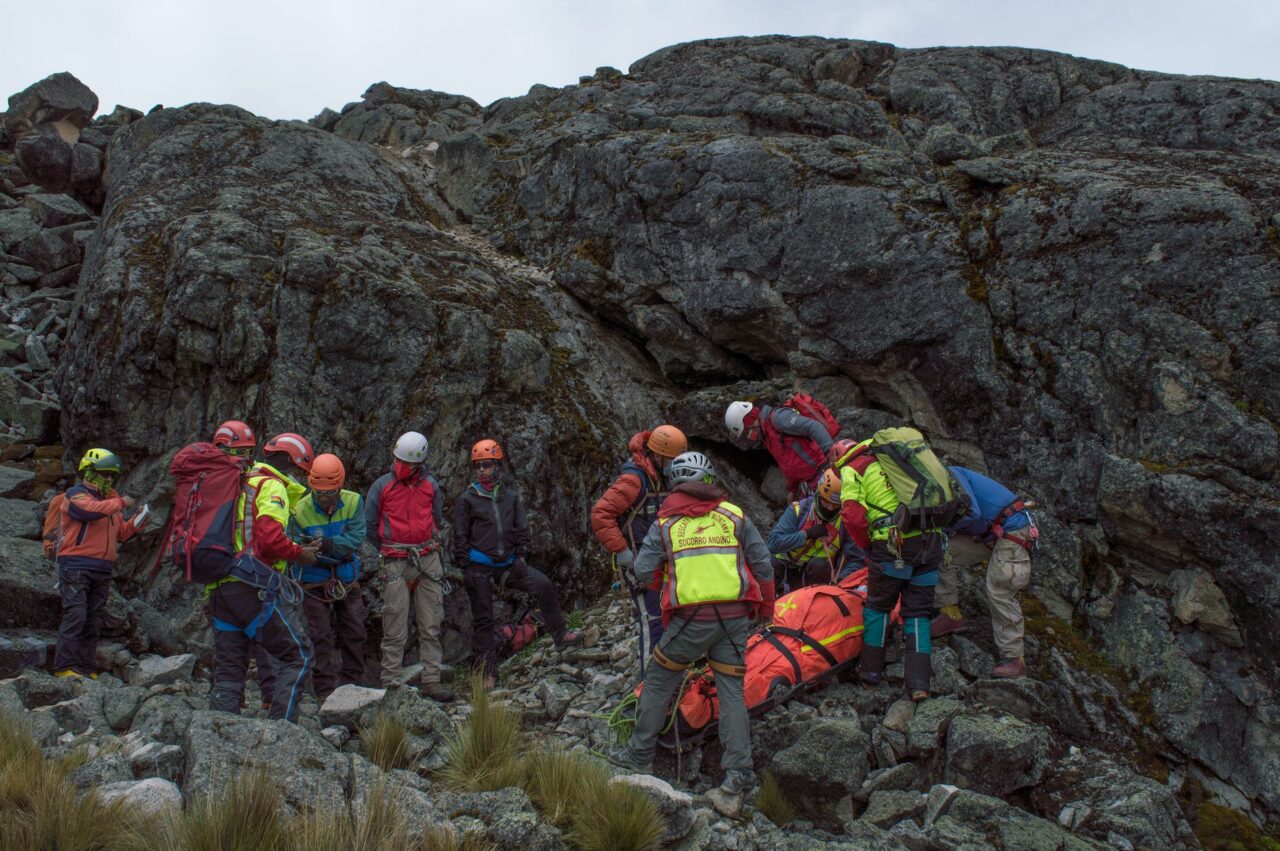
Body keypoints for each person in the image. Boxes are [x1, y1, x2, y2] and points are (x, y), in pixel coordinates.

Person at [608, 451, 774, 819]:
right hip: (733, 619)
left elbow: (644, 569)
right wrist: (766, 608)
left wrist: (667, 584)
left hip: (688, 621)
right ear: (710, 480)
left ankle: (638, 759)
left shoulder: (665, 523)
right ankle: (738, 775)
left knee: (659, 680)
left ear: (674, 484)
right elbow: (763, 564)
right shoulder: (734, 515)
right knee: (731, 691)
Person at [207, 432, 319, 722]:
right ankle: (282, 733)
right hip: (252, 587)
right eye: (301, 471)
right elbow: (269, 540)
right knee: (299, 654)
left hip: (219, 585)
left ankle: (218, 737)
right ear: (295, 463)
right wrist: (300, 553)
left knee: (229, 670)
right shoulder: (271, 486)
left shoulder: (239, 482)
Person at [457, 439, 583, 688]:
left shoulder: (510, 497)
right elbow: (459, 537)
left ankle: (560, 634)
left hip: (508, 563)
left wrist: (522, 556)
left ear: (497, 465)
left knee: (544, 585)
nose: (482, 470)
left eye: (487, 465)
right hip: (479, 565)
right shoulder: (467, 499)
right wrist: (467, 567)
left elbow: (522, 529)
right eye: (477, 466)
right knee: (484, 618)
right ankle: (488, 673)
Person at [832, 438, 944, 702]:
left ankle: (870, 673)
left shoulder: (853, 468)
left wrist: (869, 547)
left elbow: (852, 514)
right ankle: (919, 684)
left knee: (878, 606)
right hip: (931, 540)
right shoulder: (897, 456)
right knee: (918, 612)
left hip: (893, 545)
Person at [589, 424, 687, 676]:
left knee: (671, 615)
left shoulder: (663, 477)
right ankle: (649, 684)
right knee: (652, 619)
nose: (675, 464)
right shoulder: (635, 480)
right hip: (638, 561)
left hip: (660, 560)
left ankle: (670, 674)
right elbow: (601, 514)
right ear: (658, 454)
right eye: (672, 459)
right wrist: (622, 552)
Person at [366, 431, 453, 701]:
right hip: (395, 562)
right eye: (398, 460)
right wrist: (389, 549)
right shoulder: (382, 487)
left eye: (407, 463)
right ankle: (391, 682)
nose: (401, 466)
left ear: (419, 464)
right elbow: (370, 525)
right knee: (394, 627)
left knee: (431, 625)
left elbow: (435, 518)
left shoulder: (430, 486)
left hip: (426, 559)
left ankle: (431, 681)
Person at [934, 465, 1038, 678]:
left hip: (1013, 529)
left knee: (999, 588)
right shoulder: (943, 479)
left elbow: (972, 512)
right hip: (990, 533)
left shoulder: (952, 475)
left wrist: (943, 527)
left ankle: (1014, 659)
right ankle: (950, 614)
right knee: (943, 551)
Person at [52, 448, 148, 678]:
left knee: (93, 619)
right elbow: (88, 511)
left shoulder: (110, 501)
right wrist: (121, 502)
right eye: (103, 474)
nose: (107, 479)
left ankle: (85, 668)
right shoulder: (76, 495)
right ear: (89, 472)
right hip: (76, 565)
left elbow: (120, 533)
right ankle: (63, 667)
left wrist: (137, 521)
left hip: (102, 568)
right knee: (76, 614)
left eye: (110, 475)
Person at [289, 453, 369, 700]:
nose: (324, 498)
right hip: (313, 578)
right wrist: (307, 549)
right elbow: (291, 544)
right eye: (319, 493)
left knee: (354, 630)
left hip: (345, 574)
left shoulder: (354, 502)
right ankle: (325, 692)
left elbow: (356, 538)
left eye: (330, 492)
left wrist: (329, 545)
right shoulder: (299, 510)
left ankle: (352, 685)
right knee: (320, 635)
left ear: (340, 486)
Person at [767, 469, 862, 591]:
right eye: (826, 501)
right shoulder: (798, 510)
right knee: (770, 565)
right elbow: (773, 544)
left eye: (835, 504)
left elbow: (855, 559)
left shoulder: (846, 522)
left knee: (819, 566)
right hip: (788, 569)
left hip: (818, 577)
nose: (829, 507)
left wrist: (841, 581)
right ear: (818, 494)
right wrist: (806, 534)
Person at [724, 399, 835, 499]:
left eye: (748, 431)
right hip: (810, 482)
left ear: (752, 418)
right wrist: (791, 489)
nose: (749, 436)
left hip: (824, 470)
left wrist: (831, 452)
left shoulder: (778, 419)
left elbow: (813, 426)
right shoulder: (766, 434)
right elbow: (787, 461)